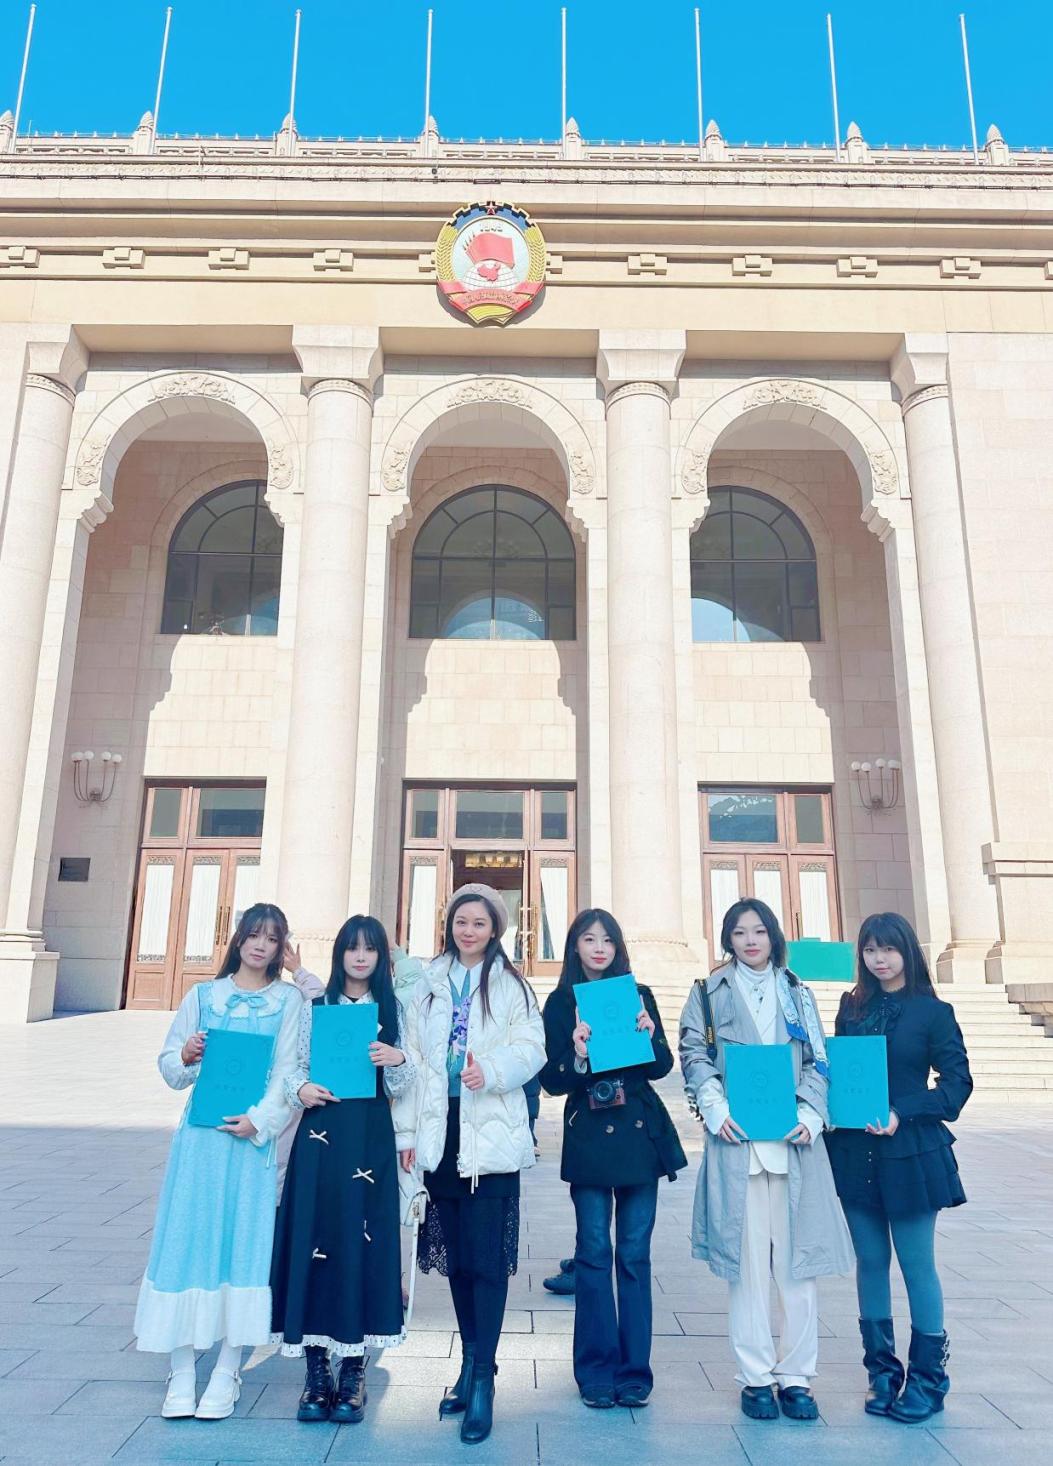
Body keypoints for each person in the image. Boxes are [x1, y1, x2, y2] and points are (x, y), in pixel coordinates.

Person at [679, 899, 853, 1422]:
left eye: (758, 931)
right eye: (739, 932)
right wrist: (714, 1107)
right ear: (727, 939)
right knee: (748, 1270)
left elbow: (819, 1059)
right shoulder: (707, 992)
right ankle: (755, 1377)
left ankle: (797, 1377)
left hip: (795, 1145)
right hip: (738, 1147)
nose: (750, 941)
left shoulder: (798, 992)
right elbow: (693, 1053)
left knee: (798, 1271)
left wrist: (812, 1113)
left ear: (774, 936)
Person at [133, 903, 304, 1421]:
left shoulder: (288, 1000)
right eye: (253, 935)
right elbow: (171, 1067)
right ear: (238, 939)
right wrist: (186, 1055)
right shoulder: (203, 997)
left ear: (280, 948)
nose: (260, 946)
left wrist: (260, 1120)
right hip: (200, 1143)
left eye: (271, 938)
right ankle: (182, 1369)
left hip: (250, 1145)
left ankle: (228, 1370)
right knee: (188, 1242)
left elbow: (290, 1071)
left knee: (243, 1246)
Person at [394, 883, 545, 1445]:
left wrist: (494, 1069)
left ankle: (484, 1378)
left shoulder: (511, 985)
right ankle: (469, 1361)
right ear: (449, 925)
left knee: (486, 1262)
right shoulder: (428, 983)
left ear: (495, 929)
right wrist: (407, 1134)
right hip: (442, 1133)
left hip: (491, 1135)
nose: (469, 931)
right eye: (461, 921)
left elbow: (533, 1048)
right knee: (457, 1261)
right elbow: (412, 1058)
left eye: (480, 923)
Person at [825, 912, 972, 1423]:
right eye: (869, 950)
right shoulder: (851, 1007)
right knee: (869, 1261)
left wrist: (900, 1112)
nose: (879, 959)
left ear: (907, 950)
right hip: (855, 1150)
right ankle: (882, 1373)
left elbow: (956, 1086)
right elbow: (840, 1071)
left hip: (910, 1150)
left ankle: (928, 1379)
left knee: (916, 1264)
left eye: (887, 948)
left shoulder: (934, 1012)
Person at [270, 916, 417, 1424]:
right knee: (316, 1237)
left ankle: (354, 1369)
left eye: (369, 949)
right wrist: (301, 1089)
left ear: (381, 957)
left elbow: (403, 1086)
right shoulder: (316, 1007)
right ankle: (316, 1372)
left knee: (364, 1242)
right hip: (320, 1138)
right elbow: (291, 1068)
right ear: (339, 954)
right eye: (352, 948)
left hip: (369, 1137)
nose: (360, 957)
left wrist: (397, 1059)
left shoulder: (393, 1010)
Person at [540, 908, 686, 1409]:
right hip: (589, 1136)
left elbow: (662, 1066)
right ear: (575, 947)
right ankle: (596, 1370)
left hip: (639, 1135)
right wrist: (578, 1053)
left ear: (618, 947)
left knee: (634, 1254)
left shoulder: (637, 994)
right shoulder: (561, 1003)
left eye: (607, 939)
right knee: (594, 1252)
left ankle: (635, 1371)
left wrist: (649, 1035)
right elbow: (551, 1081)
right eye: (589, 939)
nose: (599, 947)